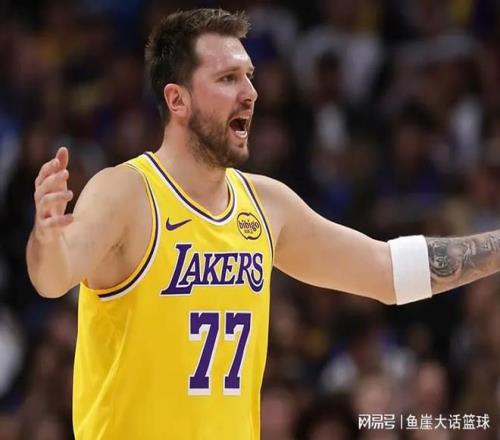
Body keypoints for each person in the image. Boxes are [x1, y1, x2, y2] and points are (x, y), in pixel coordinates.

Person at [25, 8, 499, 440]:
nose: (250, 93)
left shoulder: (266, 205)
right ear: (177, 99)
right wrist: (45, 236)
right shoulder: (126, 192)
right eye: (228, 78)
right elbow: (52, 278)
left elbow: (387, 271)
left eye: (249, 77)